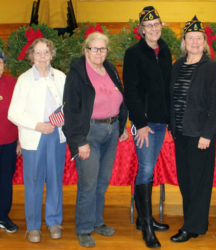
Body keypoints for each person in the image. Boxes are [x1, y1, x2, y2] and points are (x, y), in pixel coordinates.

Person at [62, 32, 128, 248]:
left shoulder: (109, 68)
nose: (99, 53)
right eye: (95, 48)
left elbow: (120, 97)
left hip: (111, 130)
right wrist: (79, 141)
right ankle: (83, 227)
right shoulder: (77, 73)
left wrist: (122, 125)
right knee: (88, 183)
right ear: (86, 50)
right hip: (88, 132)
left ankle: (97, 221)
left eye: (103, 49)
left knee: (102, 181)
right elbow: (70, 110)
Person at [169, 16, 216, 243]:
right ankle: (196, 219)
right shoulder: (177, 66)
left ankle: (192, 226)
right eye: (190, 38)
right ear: (184, 41)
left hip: (199, 135)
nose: (194, 42)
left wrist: (207, 134)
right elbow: (172, 98)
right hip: (181, 133)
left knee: (199, 181)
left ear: (204, 41)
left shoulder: (212, 68)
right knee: (186, 180)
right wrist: (172, 128)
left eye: (198, 38)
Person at [8, 38, 66, 242]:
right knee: (33, 182)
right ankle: (33, 226)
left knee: (55, 180)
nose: (42, 56)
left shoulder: (60, 77)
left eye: (46, 52)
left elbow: (69, 105)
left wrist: (63, 119)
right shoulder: (24, 80)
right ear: (32, 55)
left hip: (57, 136)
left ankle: (53, 221)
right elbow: (13, 113)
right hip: (34, 136)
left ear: (52, 55)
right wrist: (37, 125)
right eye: (38, 53)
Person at [123, 6, 171, 249]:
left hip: (161, 122)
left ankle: (145, 219)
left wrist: (169, 120)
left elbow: (167, 88)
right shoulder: (133, 53)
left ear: (161, 27)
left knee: (149, 171)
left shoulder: (165, 51)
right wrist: (139, 124)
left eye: (157, 25)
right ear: (142, 30)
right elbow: (130, 90)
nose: (154, 29)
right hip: (144, 123)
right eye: (149, 26)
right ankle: (147, 229)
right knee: (145, 169)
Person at [0, 49, 20, 233]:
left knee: (5, 180)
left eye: (0, 62)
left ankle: (3, 216)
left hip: (8, 142)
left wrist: (20, 140)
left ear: (4, 65)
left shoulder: (12, 83)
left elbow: (21, 112)